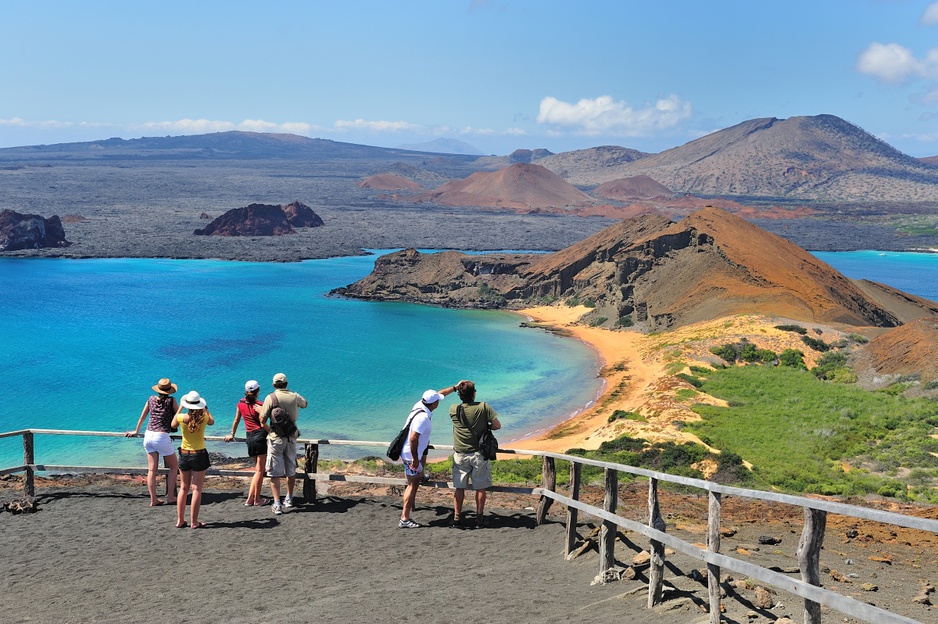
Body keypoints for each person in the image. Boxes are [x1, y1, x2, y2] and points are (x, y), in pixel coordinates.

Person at [398, 385, 459, 528]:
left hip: (413, 451)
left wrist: (455, 387)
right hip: (410, 455)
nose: (439, 401)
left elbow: (440, 393)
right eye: (437, 401)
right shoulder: (423, 418)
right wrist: (414, 460)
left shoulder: (420, 404)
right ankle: (404, 519)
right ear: (434, 404)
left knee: (415, 479)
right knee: (412, 486)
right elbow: (413, 438)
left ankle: (422, 474)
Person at [449, 380, 501, 528]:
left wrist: (454, 388)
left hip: (460, 453)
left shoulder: (453, 409)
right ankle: (479, 518)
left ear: (459, 394)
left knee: (459, 488)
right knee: (480, 488)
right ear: (474, 393)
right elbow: (497, 425)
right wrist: (485, 426)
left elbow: (439, 396)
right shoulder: (483, 406)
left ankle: (457, 518)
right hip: (478, 453)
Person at [125, 378, 180, 507]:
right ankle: (171, 496)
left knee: (152, 470)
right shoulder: (171, 400)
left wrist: (136, 431)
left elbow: (142, 417)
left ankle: (153, 499)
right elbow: (178, 416)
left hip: (148, 435)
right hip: (161, 436)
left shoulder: (151, 399)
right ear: (169, 390)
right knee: (173, 467)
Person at [259, 373, 307, 516]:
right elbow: (305, 404)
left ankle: (277, 503)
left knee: (274, 472)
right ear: (286, 383)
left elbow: (262, 420)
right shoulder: (294, 396)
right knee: (290, 469)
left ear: (274, 385)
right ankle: (289, 498)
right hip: (291, 437)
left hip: (276, 438)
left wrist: (272, 431)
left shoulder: (270, 398)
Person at [171, 390, 214, 529]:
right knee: (196, 489)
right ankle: (194, 521)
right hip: (199, 454)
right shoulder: (204, 418)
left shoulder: (181, 418)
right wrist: (205, 409)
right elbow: (212, 422)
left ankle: (180, 520)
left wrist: (181, 408)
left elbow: (172, 424)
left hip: (184, 454)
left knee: (183, 488)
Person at [224, 380, 269, 506]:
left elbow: (236, 420)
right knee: (260, 471)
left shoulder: (240, 404)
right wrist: (273, 432)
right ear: (258, 391)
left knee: (257, 470)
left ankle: (250, 499)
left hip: (249, 437)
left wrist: (232, 434)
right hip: (260, 437)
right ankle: (256, 499)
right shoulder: (260, 405)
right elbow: (262, 423)